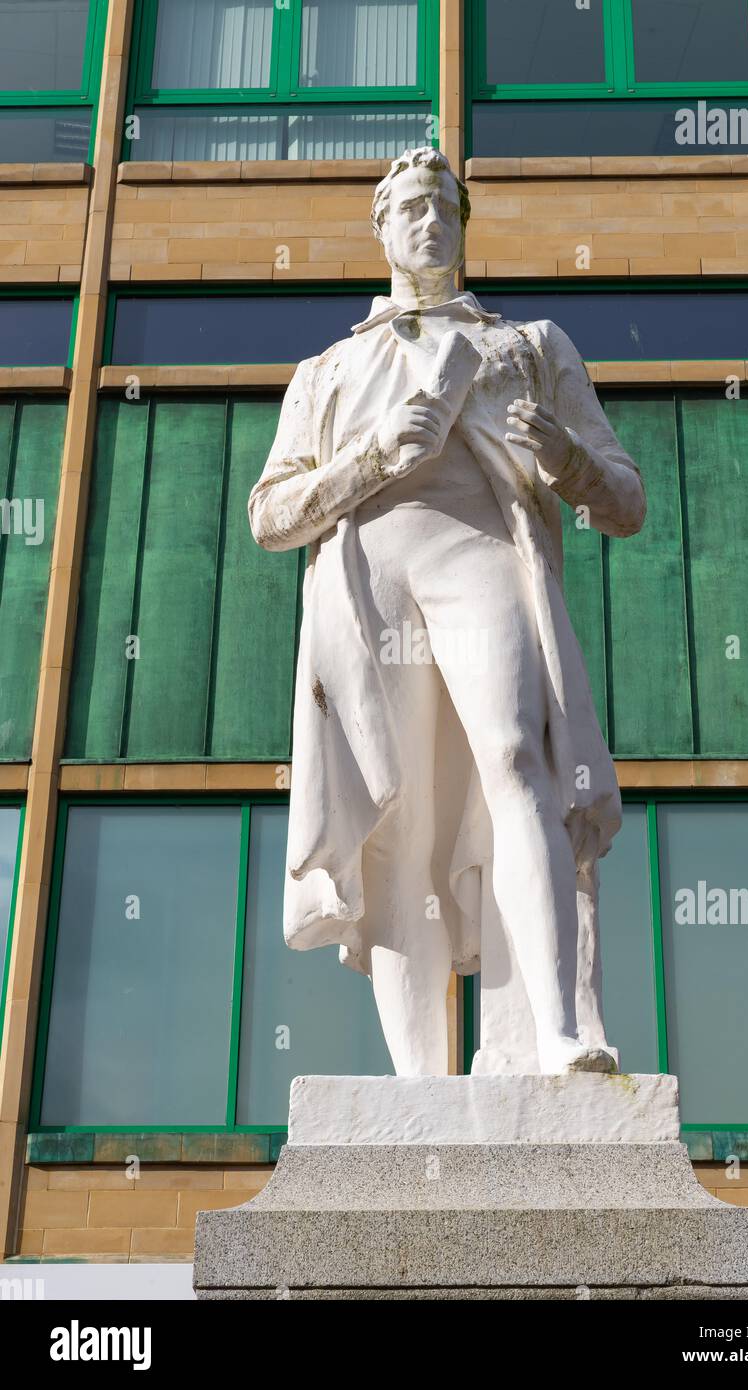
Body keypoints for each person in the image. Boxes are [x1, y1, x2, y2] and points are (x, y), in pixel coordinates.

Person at [248, 147, 645, 1076]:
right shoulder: (328, 368)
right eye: (412, 206)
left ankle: (553, 1034)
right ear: (379, 227)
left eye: (446, 206)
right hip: (367, 577)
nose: (431, 221)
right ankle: (419, 1087)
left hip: (482, 558)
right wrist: (375, 455)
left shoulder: (533, 345)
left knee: (516, 757)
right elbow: (270, 516)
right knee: (397, 824)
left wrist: (566, 462)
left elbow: (623, 503)